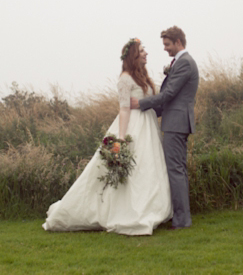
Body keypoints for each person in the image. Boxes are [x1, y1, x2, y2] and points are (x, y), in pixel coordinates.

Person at [42, 38, 172, 235]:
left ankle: (153, 208)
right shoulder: (125, 79)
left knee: (148, 168)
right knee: (135, 169)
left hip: (149, 126)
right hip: (134, 126)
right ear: (133, 55)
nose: (146, 53)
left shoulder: (143, 78)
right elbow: (124, 109)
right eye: (142, 51)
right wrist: (121, 138)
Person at [131, 26, 199, 229]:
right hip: (176, 122)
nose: (165, 49)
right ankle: (181, 217)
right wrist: (154, 112)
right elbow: (171, 96)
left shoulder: (185, 63)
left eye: (167, 44)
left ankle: (181, 220)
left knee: (175, 171)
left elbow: (169, 94)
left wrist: (142, 104)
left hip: (176, 124)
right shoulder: (181, 62)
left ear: (178, 42)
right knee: (179, 170)